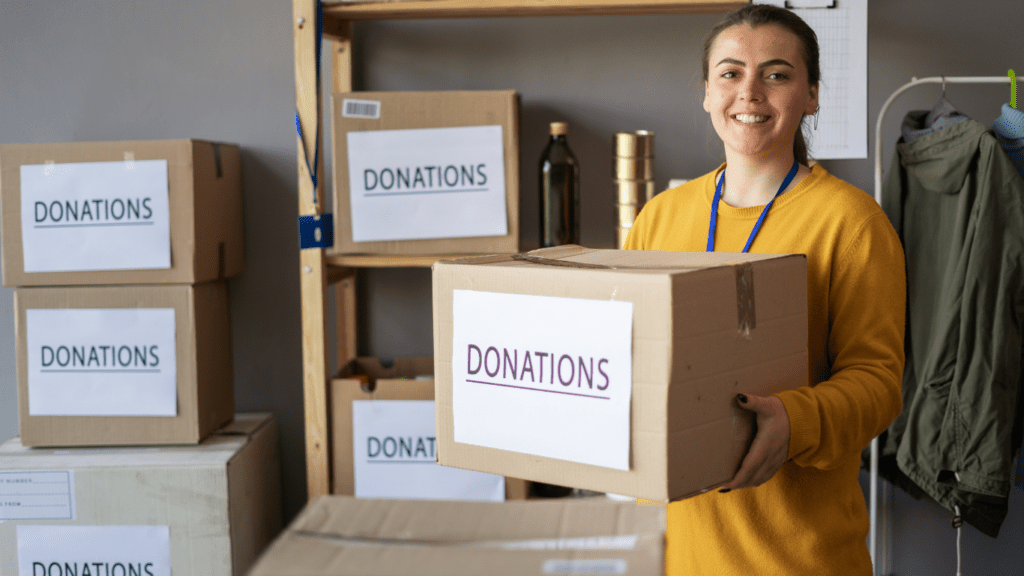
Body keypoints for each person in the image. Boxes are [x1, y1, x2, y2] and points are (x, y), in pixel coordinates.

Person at [623, 5, 906, 575]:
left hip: (801, 562)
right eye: (730, 73)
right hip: (680, 559)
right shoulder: (660, 217)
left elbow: (879, 385)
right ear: (707, 92)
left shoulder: (851, 221)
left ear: (812, 95)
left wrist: (794, 422)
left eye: (776, 74)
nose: (749, 92)